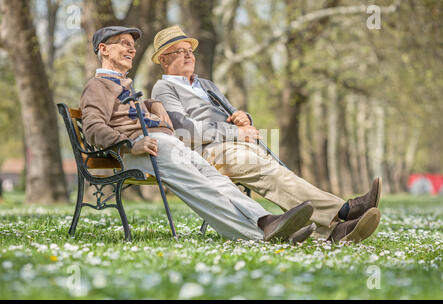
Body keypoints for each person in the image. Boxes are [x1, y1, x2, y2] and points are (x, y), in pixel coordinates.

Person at [79, 26, 317, 243]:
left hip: (164, 144)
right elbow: (92, 128)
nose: (131, 48)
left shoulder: (125, 86)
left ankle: (267, 222)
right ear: (104, 49)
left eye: (132, 44)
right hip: (136, 151)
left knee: (217, 181)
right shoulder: (97, 86)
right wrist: (130, 144)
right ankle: (260, 235)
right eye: (123, 43)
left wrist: (152, 107)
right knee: (202, 187)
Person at [150, 25, 382, 243]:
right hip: (205, 152)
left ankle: (334, 232)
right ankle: (345, 210)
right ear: (164, 59)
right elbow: (185, 129)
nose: (188, 55)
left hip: (234, 144)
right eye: (179, 51)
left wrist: (244, 118)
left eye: (189, 50)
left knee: (276, 173)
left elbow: (233, 115)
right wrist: (235, 132)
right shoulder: (164, 88)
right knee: (267, 170)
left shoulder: (206, 85)